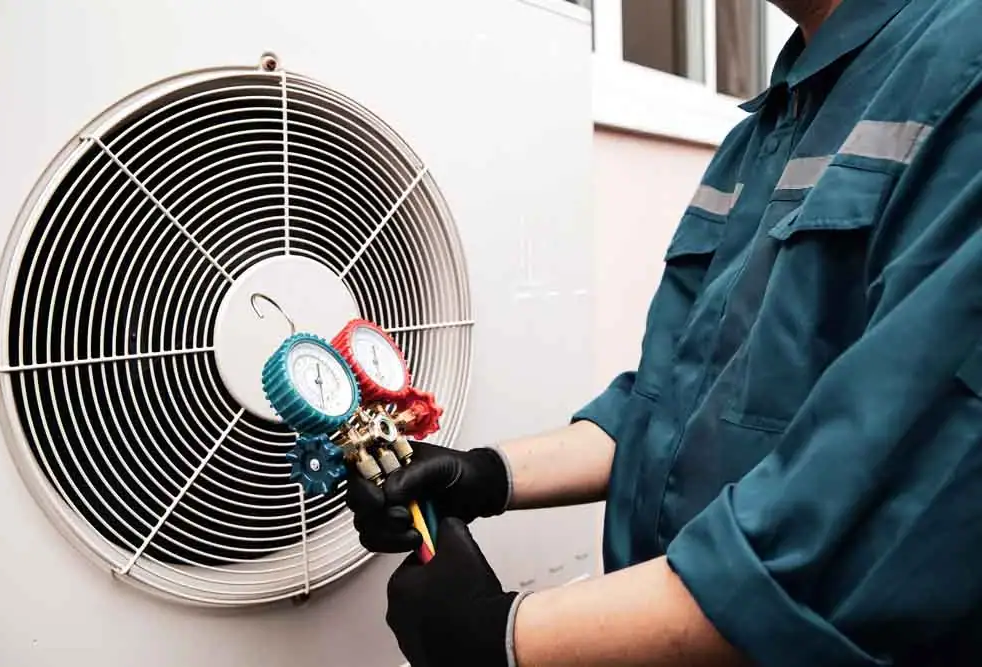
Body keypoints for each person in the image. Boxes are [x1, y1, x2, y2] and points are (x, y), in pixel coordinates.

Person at [346, 0, 982, 664]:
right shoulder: (763, 130)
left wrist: (501, 635)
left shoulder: (963, 70)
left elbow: (897, 496)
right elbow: (665, 403)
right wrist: (482, 473)